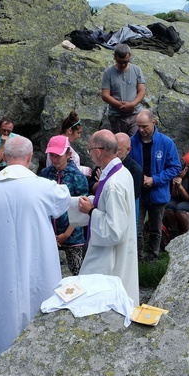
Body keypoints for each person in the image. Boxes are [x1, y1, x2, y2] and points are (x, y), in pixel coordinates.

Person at [0, 136, 70, 367]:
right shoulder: (45, 188)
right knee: (40, 299)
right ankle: (42, 361)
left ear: (4, 158)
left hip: (1, 259)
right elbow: (63, 202)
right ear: (29, 158)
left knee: (3, 310)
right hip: (38, 258)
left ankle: (0, 365)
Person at [68, 130, 139, 302]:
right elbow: (110, 207)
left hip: (109, 259)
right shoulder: (121, 172)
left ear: (98, 152)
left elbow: (114, 231)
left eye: (90, 151)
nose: (90, 155)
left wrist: (91, 211)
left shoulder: (113, 184)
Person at [129, 110, 181, 261]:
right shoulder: (132, 142)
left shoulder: (166, 142)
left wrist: (155, 179)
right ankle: (137, 258)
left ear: (154, 123)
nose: (141, 130)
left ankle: (152, 258)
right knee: (135, 228)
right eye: (138, 126)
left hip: (158, 192)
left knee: (155, 229)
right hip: (138, 192)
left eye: (144, 126)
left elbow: (175, 167)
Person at [39, 136, 89, 275]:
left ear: (68, 154)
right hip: (48, 233)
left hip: (72, 236)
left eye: (58, 155)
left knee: (78, 273)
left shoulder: (77, 177)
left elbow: (81, 209)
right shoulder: (44, 174)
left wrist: (66, 234)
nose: (55, 159)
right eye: (52, 155)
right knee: (47, 273)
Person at [101, 44, 146, 135]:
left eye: (126, 61)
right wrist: (121, 106)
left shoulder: (137, 70)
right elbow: (105, 95)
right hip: (117, 116)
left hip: (134, 114)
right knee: (120, 144)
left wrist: (132, 104)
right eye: (120, 62)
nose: (123, 64)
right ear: (115, 58)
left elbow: (142, 91)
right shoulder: (108, 73)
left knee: (134, 142)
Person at [45, 111, 91, 176]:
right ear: (70, 131)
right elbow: (61, 169)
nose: (79, 136)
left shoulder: (52, 145)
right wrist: (83, 170)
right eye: (78, 133)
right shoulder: (73, 155)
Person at [115, 132, 143, 219]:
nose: (115, 152)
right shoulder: (105, 162)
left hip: (127, 212)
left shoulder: (135, 170)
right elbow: (91, 183)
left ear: (128, 150)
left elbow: (132, 196)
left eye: (119, 149)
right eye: (113, 148)